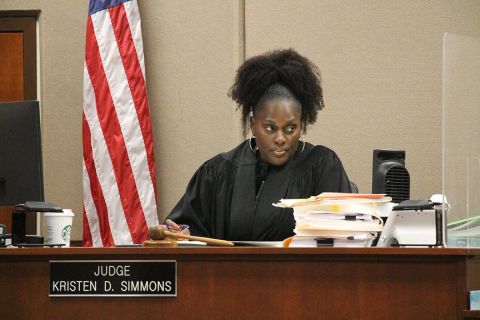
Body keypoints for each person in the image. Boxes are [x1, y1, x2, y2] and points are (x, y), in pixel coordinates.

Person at [165, 49, 352, 241]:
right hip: (230, 271)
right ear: (253, 125)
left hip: (301, 271)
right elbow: (185, 230)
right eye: (270, 128)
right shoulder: (218, 171)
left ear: (302, 125)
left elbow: (341, 240)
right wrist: (182, 235)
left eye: (290, 128)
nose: (281, 138)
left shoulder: (321, 166)